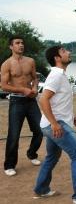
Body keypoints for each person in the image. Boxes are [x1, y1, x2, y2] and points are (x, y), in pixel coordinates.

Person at [33, 46, 76, 204]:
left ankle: (41, 189)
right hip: (55, 125)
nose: (68, 53)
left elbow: (57, 101)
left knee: (51, 157)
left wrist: (71, 116)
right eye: (64, 51)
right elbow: (43, 100)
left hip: (54, 123)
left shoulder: (60, 75)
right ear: (57, 58)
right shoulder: (56, 75)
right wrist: (55, 123)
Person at [1, 36, 42, 177]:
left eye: (22, 43)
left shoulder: (30, 61)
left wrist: (35, 88)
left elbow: (35, 77)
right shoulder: (7, 64)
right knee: (14, 135)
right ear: (11, 47)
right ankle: (9, 165)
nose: (21, 45)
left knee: (40, 129)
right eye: (17, 43)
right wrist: (22, 90)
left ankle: (31, 153)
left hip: (31, 101)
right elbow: (4, 86)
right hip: (16, 102)